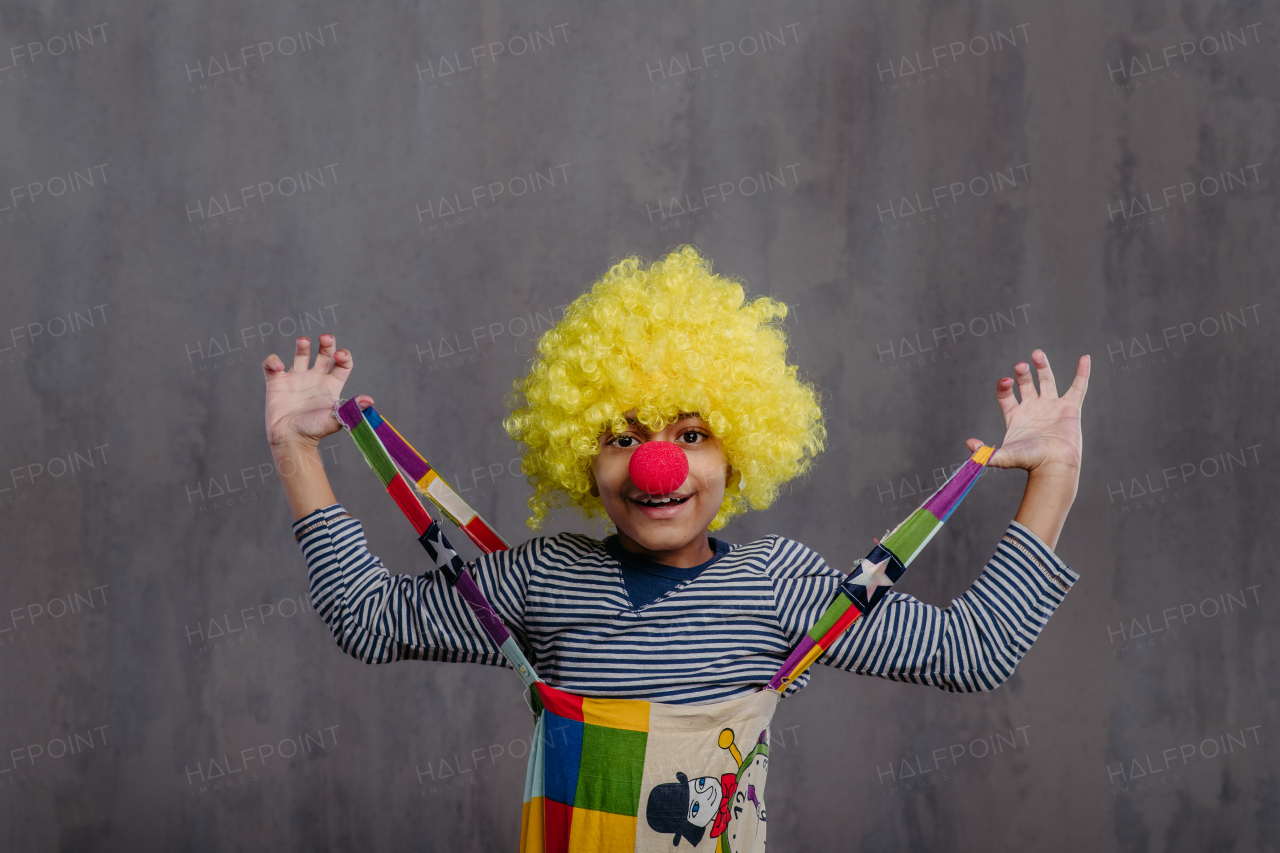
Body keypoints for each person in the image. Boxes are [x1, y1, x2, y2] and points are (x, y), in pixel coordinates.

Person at [262, 246, 1087, 706]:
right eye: (623, 436)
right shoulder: (546, 578)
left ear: (739, 452)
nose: (658, 462)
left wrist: (1052, 474)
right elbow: (369, 620)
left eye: (692, 433)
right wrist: (297, 451)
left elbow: (971, 651)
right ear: (583, 457)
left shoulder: (781, 587)